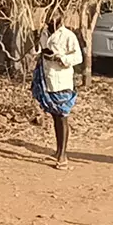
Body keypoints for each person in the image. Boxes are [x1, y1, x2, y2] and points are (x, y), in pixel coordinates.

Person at [32, 16, 83, 169]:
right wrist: (36, 42)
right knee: (55, 116)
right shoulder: (43, 33)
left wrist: (59, 58)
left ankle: (63, 155)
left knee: (62, 116)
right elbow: (36, 51)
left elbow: (78, 57)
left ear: (61, 17)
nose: (50, 19)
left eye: (54, 16)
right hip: (48, 80)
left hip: (62, 81)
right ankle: (59, 150)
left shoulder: (68, 35)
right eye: (48, 16)